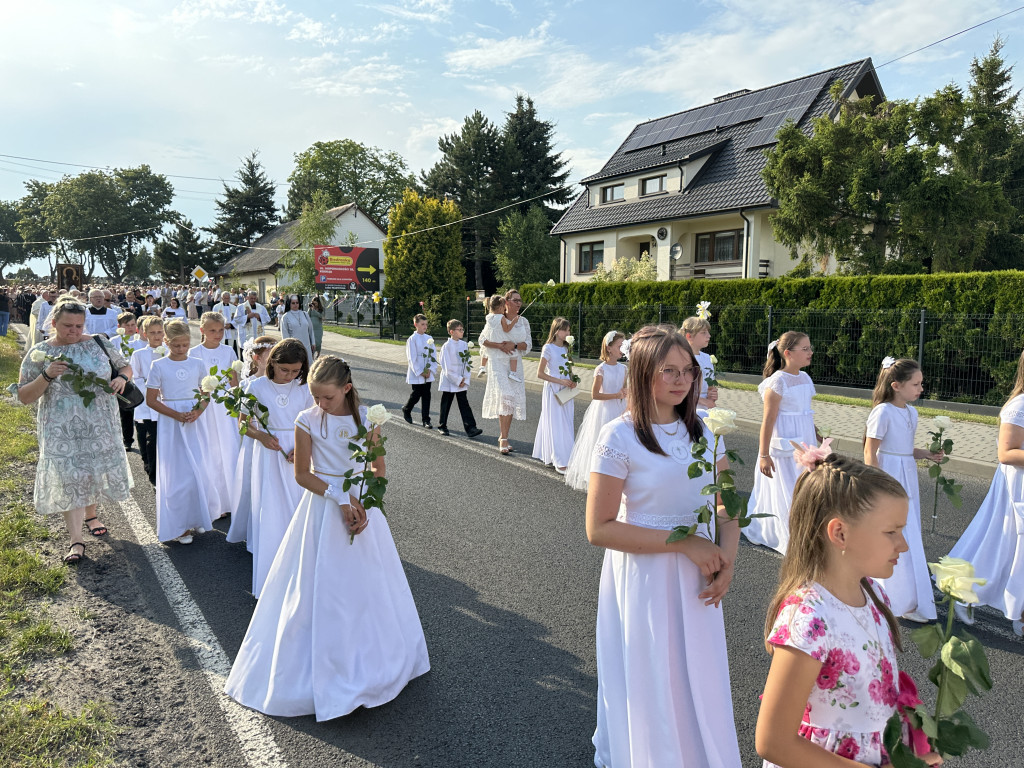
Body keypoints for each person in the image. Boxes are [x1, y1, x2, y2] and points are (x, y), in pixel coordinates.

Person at [224, 355, 430, 720]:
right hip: (322, 509)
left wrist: (364, 503)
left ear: (346, 388)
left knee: (368, 586)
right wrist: (339, 497)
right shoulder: (306, 420)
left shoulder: (368, 420)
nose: (319, 404)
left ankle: (373, 658)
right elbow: (303, 475)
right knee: (317, 587)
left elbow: (377, 470)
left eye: (327, 398)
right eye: (315, 397)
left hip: (362, 510)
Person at [586, 325, 742, 768]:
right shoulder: (618, 437)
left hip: (700, 574)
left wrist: (727, 560)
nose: (680, 380)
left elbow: (728, 508)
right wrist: (684, 544)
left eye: (687, 371)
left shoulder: (708, 434)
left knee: (700, 671)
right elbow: (598, 529)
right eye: (667, 370)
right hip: (645, 574)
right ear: (642, 372)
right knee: (654, 673)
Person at [755, 453, 942, 768]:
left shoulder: (872, 592)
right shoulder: (808, 616)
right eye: (891, 532)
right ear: (840, 533)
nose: (904, 545)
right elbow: (773, 741)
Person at [16, 298, 133, 563]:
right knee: (72, 479)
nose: (75, 331)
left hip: (100, 423)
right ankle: (76, 540)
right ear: (54, 323)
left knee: (92, 473)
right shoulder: (41, 352)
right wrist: (46, 375)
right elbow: (23, 396)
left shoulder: (98, 343)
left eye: (79, 326)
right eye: (68, 325)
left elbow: (125, 365)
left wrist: (122, 378)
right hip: (62, 429)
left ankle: (92, 515)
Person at [948, 348, 1024, 637]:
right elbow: (1005, 453)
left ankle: (1019, 612)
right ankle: (963, 593)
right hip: (1016, 487)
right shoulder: (1019, 405)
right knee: (1000, 545)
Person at [863, 358, 943, 623]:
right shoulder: (883, 411)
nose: (921, 388)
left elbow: (905, 448)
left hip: (907, 474)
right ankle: (887, 596)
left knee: (908, 530)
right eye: (916, 384)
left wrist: (927, 454)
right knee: (891, 531)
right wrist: (876, 484)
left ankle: (909, 597)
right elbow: (870, 451)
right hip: (889, 475)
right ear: (896, 385)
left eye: (921, 383)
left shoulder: (912, 412)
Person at [243, 339, 313, 597]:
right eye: (286, 370)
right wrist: (261, 436)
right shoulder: (257, 386)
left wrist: (302, 446)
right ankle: (272, 575)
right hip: (270, 456)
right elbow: (243, 423)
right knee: (273, 510)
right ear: (272, 362)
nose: (291, 375)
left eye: (296, 371)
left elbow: (312, 423)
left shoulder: (304, 388)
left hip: (298, 454)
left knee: (298, 507)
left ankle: (300, 569)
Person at [743, 331, 821, 555]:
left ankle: (805, 531)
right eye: (804, 349)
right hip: (785, 445)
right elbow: (767, 422)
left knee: (804, 486)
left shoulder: (805, 378)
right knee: (787, 489)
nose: (810, 352)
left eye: (809, 348)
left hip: (804, 441)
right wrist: (764, 455)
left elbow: (806, 413)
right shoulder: (777, 382)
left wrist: (818, 435)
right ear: (788, 353)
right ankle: (787, 534)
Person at [145, 319, 213, 545]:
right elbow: (151, 400)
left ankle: (196, 517)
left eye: (185, 345)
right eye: (176, 345)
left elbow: (206, 395)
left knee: (196, 469)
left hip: (194, 422)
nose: (181, 349)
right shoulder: (159, 366)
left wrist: (198, 412)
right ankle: (179, 526)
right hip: (171, 424)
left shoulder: (197, 364)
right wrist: (175, 415)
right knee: (176, 474)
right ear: (166, 342)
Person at [189, 312, 241, 520]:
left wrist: (237, 404)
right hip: (206, 406)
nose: (217, 334)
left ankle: (233, 500)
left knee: (229, 449)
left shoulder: (228, 351)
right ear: (202, 330)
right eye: (212, 330)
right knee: (209, 450)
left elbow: (233, 380)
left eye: (220, 330)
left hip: (225, 406)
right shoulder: (194, 353)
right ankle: (214, 502)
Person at [226, 336, 275, 550]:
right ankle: (253, 527)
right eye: (270, 356)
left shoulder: (282, 383)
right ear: (256, 357)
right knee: (253, 484)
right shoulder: (247, 385)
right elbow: (243, 420)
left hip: (278, 440)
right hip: (255, 440)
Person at [564, 330, 626, 491]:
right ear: (609, 348)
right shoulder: (601, 369)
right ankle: (598, 475)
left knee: (619, 443)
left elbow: (623, 390)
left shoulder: (624, 369)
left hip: (619, 408)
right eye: (620, 346)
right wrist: (616, 395)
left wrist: (625, 394)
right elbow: (595, 394)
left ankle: (615, 475)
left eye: (624, 346)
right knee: (601, 442)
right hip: (604, 409)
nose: (622, 349)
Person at [480, 289, 532, 454]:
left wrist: (514, 345)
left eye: (520, 300)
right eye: (515, 300)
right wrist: (500, 346)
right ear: (506, 302)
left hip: (515, 364)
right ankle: (503, 438)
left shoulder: (523, 321)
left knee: (510, 399)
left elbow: (528, 345)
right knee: (506, 395)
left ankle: (504, 435)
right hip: (497, 363)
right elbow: (482, 340)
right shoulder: (495, 319)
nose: (518, 303)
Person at [532, 317, 576, 472]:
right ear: (557, 331)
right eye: (565, 330)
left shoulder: (566, 348)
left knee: (566, 421)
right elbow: (540, 373)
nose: (568, 332)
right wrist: (559, 381)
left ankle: (564, 454)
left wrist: (572, 380)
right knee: (556, 422)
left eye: (569, 330)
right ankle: (559, 458)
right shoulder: (548, 348)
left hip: (566, 390)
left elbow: (569, 369)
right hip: (553, 389)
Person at [131, 317, 166, 486]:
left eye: (160, 332)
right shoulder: (139, 354)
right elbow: (135, 378)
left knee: (162, 439)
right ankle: (152, 472)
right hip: (147, 402)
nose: (157, 336)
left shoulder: (170, 351)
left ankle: (162, 474)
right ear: (145, 334)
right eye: (152, 333)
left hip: (166, 402)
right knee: (149, 440)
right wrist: (151, 389)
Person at [436, 319, 483, 438]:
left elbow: (467, 364)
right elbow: (446, 367)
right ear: (451, 332)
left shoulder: (463, 345)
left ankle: (471, 428)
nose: (462, 331)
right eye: (460, 330)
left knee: (464, 404)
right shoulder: (446, 347)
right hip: (450, 380)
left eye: (462, 329)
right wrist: (457, 380)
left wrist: (465, 379)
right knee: (446, 403)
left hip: (461, 381)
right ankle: (442, 425)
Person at [116, 311, 146, 451]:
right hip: (125, 380)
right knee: (126, 412)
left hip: (141, 381)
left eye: (133, 324)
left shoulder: (141, 340)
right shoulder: (115, 341)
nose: (130, 328)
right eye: (126, 325)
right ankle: (127, 439)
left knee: (140, 412)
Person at [401, 313, 435, 428]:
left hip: (427, 371)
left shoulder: (429, 338)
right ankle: (407, 408)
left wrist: (430, 369)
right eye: (422, 324)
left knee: (427, 395)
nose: (425, 326)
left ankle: (426, 419)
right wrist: (420, 371)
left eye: (426, 324)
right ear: (416, 324)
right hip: (417, 371)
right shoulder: (412, 339)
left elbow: (433, 355)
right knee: (417, 394)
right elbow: (412, 357)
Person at [484, 295, 524, 383]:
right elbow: (506, 329)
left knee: (484, 352)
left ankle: (482, 366)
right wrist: (514, 321)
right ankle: (513, 373)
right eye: (503, 307)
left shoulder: (489, 317)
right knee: (514, 354)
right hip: (501, 340)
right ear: (500, 307)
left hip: (492, 339)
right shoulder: (501, 317)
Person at [682, 315, 718, 410]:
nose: (709, 336)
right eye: (703, 333)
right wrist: (702, 400)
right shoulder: (682, 358)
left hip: (705, 409)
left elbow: (709, 385)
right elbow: (681, 390)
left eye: (708, 332)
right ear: (689, 336)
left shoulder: (707, 358)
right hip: (688, 409)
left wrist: (712, 395)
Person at [279, 295, 317, 364]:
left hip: (307, 345)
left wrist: (313, 342)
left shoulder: (305, 314)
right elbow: (285, 335)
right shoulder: (285, 317)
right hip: (294, 347)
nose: (295, 305)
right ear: (289, 304)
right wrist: (287, 348)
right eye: (293, 303)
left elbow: (311, 330)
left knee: (308, 365)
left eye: (297, 303)